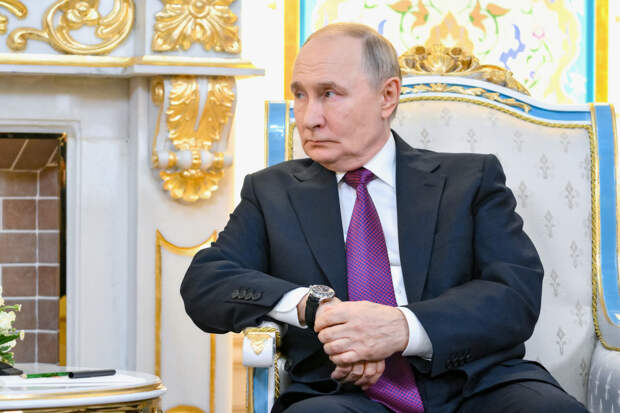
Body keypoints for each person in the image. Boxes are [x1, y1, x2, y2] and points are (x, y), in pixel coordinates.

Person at [181, 23, 588, 413]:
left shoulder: (469, 179)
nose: (308, 118)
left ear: (387, 96)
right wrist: (314, 308)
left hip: (475, 383)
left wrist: (401, 328)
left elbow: (514, 294)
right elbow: (206, 283)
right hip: (343, 392)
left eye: (329, 94)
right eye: (300, 95)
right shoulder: (272, 192)